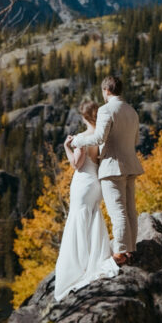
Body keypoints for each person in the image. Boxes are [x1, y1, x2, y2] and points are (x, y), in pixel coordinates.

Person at [65, 75, 143, 265]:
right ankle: (130, 249)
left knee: (118, 212)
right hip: (131, 164)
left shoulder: (106, 109)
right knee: (131, 210)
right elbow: (136, 141)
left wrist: (76, 141)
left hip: (112, 167)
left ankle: (120, 253)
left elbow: (99, 137)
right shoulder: (132, 111)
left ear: (106, 90)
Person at [54, 100, 119, 300]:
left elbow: (76, 164)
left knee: (78, 219)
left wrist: (66, 147)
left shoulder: (82, 138)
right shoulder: (102, 137)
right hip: (96, 183)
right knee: (92, 216)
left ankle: (80, 265)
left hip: (83, 183)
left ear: (83, 117)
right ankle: (94, 258)